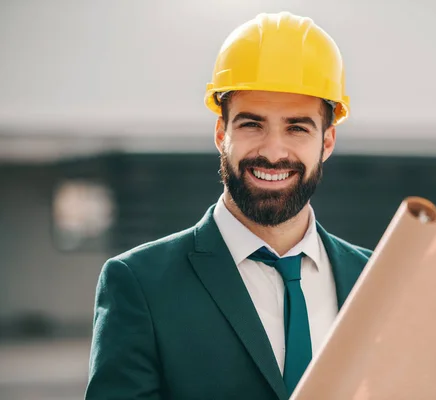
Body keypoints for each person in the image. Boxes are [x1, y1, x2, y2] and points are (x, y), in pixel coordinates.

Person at [85, 11, 372, 400]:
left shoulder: (377, 281)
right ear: (222, 134)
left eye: (297, 127)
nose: (273, 152)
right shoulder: (140, 285)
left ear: (327, 141)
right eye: (252, 124)